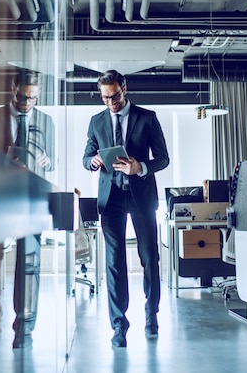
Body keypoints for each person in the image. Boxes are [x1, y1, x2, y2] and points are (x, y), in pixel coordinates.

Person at [82, 69, 169, 347]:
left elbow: (163, 159)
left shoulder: (147, 118)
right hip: (111, 199)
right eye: (106, 98)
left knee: (149, 257)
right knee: (113, 262)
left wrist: (140, 167)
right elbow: (86, 155)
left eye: (115, 96)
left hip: (141, 195)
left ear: (125, 88)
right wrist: (93, 162)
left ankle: (151, 313)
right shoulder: (96, 121)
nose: (111, 103)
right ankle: (118, 325)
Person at [0, 68, 55, 348]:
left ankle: (25, 321)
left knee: (29, 262)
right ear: (13, 89)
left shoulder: (47, 121)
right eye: (23, 97)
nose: (27, 103)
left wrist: (45, 160)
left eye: (32, 98)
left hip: (29, 202)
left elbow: (51, 164)